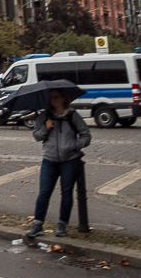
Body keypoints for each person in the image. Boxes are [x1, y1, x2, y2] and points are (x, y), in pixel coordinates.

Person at [26, 88, 92, 240]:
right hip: (49, 159)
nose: (53, 100)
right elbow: (36, 135)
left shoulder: (72, 116)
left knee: (66, 193)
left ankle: (62, 224)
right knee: (44, 192)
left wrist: (74, 145)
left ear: (64, 98)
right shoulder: (45, 115)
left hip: (69, 160)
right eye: (51, 98)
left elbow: (86, 135)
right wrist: (46, 128)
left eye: (56, 97)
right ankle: (37, 223)